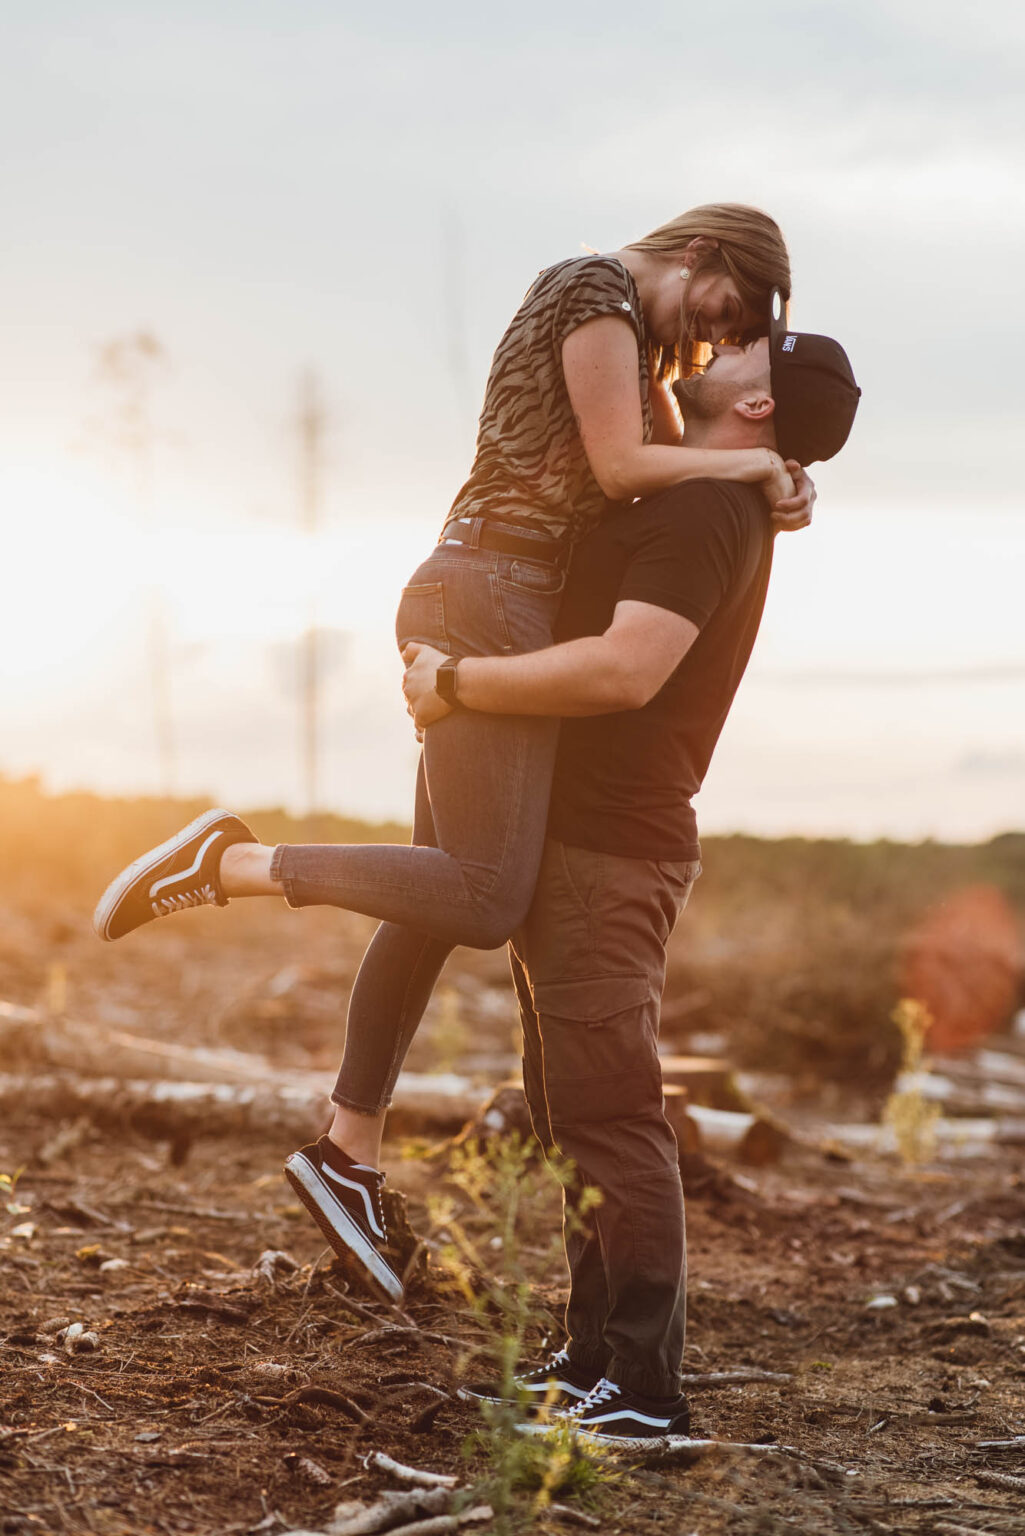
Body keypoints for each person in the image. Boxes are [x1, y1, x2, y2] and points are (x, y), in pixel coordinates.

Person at [93, 207, 815, 1301]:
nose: (717, 340)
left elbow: (669, 460)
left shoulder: (650, 344)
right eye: (727, 314)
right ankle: (232, 862)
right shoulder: (595, 297)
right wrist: (759, 462)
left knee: (435, 897)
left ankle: (346, 1153)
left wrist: (769, 470)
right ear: (705, 258)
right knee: (481, 896)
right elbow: (623, 467)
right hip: (488, 595)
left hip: (496, 599)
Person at [402, 306, 860, 1447]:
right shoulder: (696, 489)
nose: (714, 348)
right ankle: (590, 1356)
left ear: (756, 402)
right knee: (568, 1107)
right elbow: (628, 403)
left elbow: (622, 671)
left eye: (744, 349)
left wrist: (456, 684)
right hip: (576, 839)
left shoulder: (706, 507)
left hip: (612, 847)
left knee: (610, 1112)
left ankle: (644, 1390)